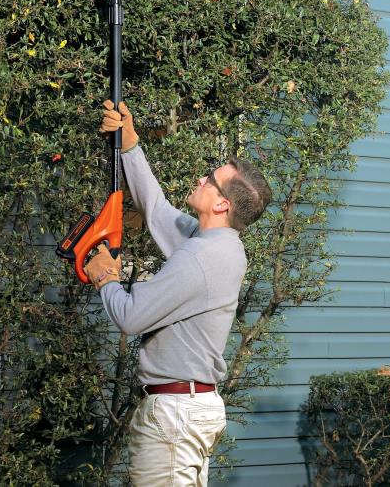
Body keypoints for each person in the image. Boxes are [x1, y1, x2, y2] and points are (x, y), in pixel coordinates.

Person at [84, 100, 272, 487]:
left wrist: (105, 277)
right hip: (185, 409)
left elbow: (130, 317)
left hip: (174, 415)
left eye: (210, 180)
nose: (201, 179)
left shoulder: (201, 257)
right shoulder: (215, 243)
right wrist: (129, 144)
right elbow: (155, 209)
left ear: (221, 203)